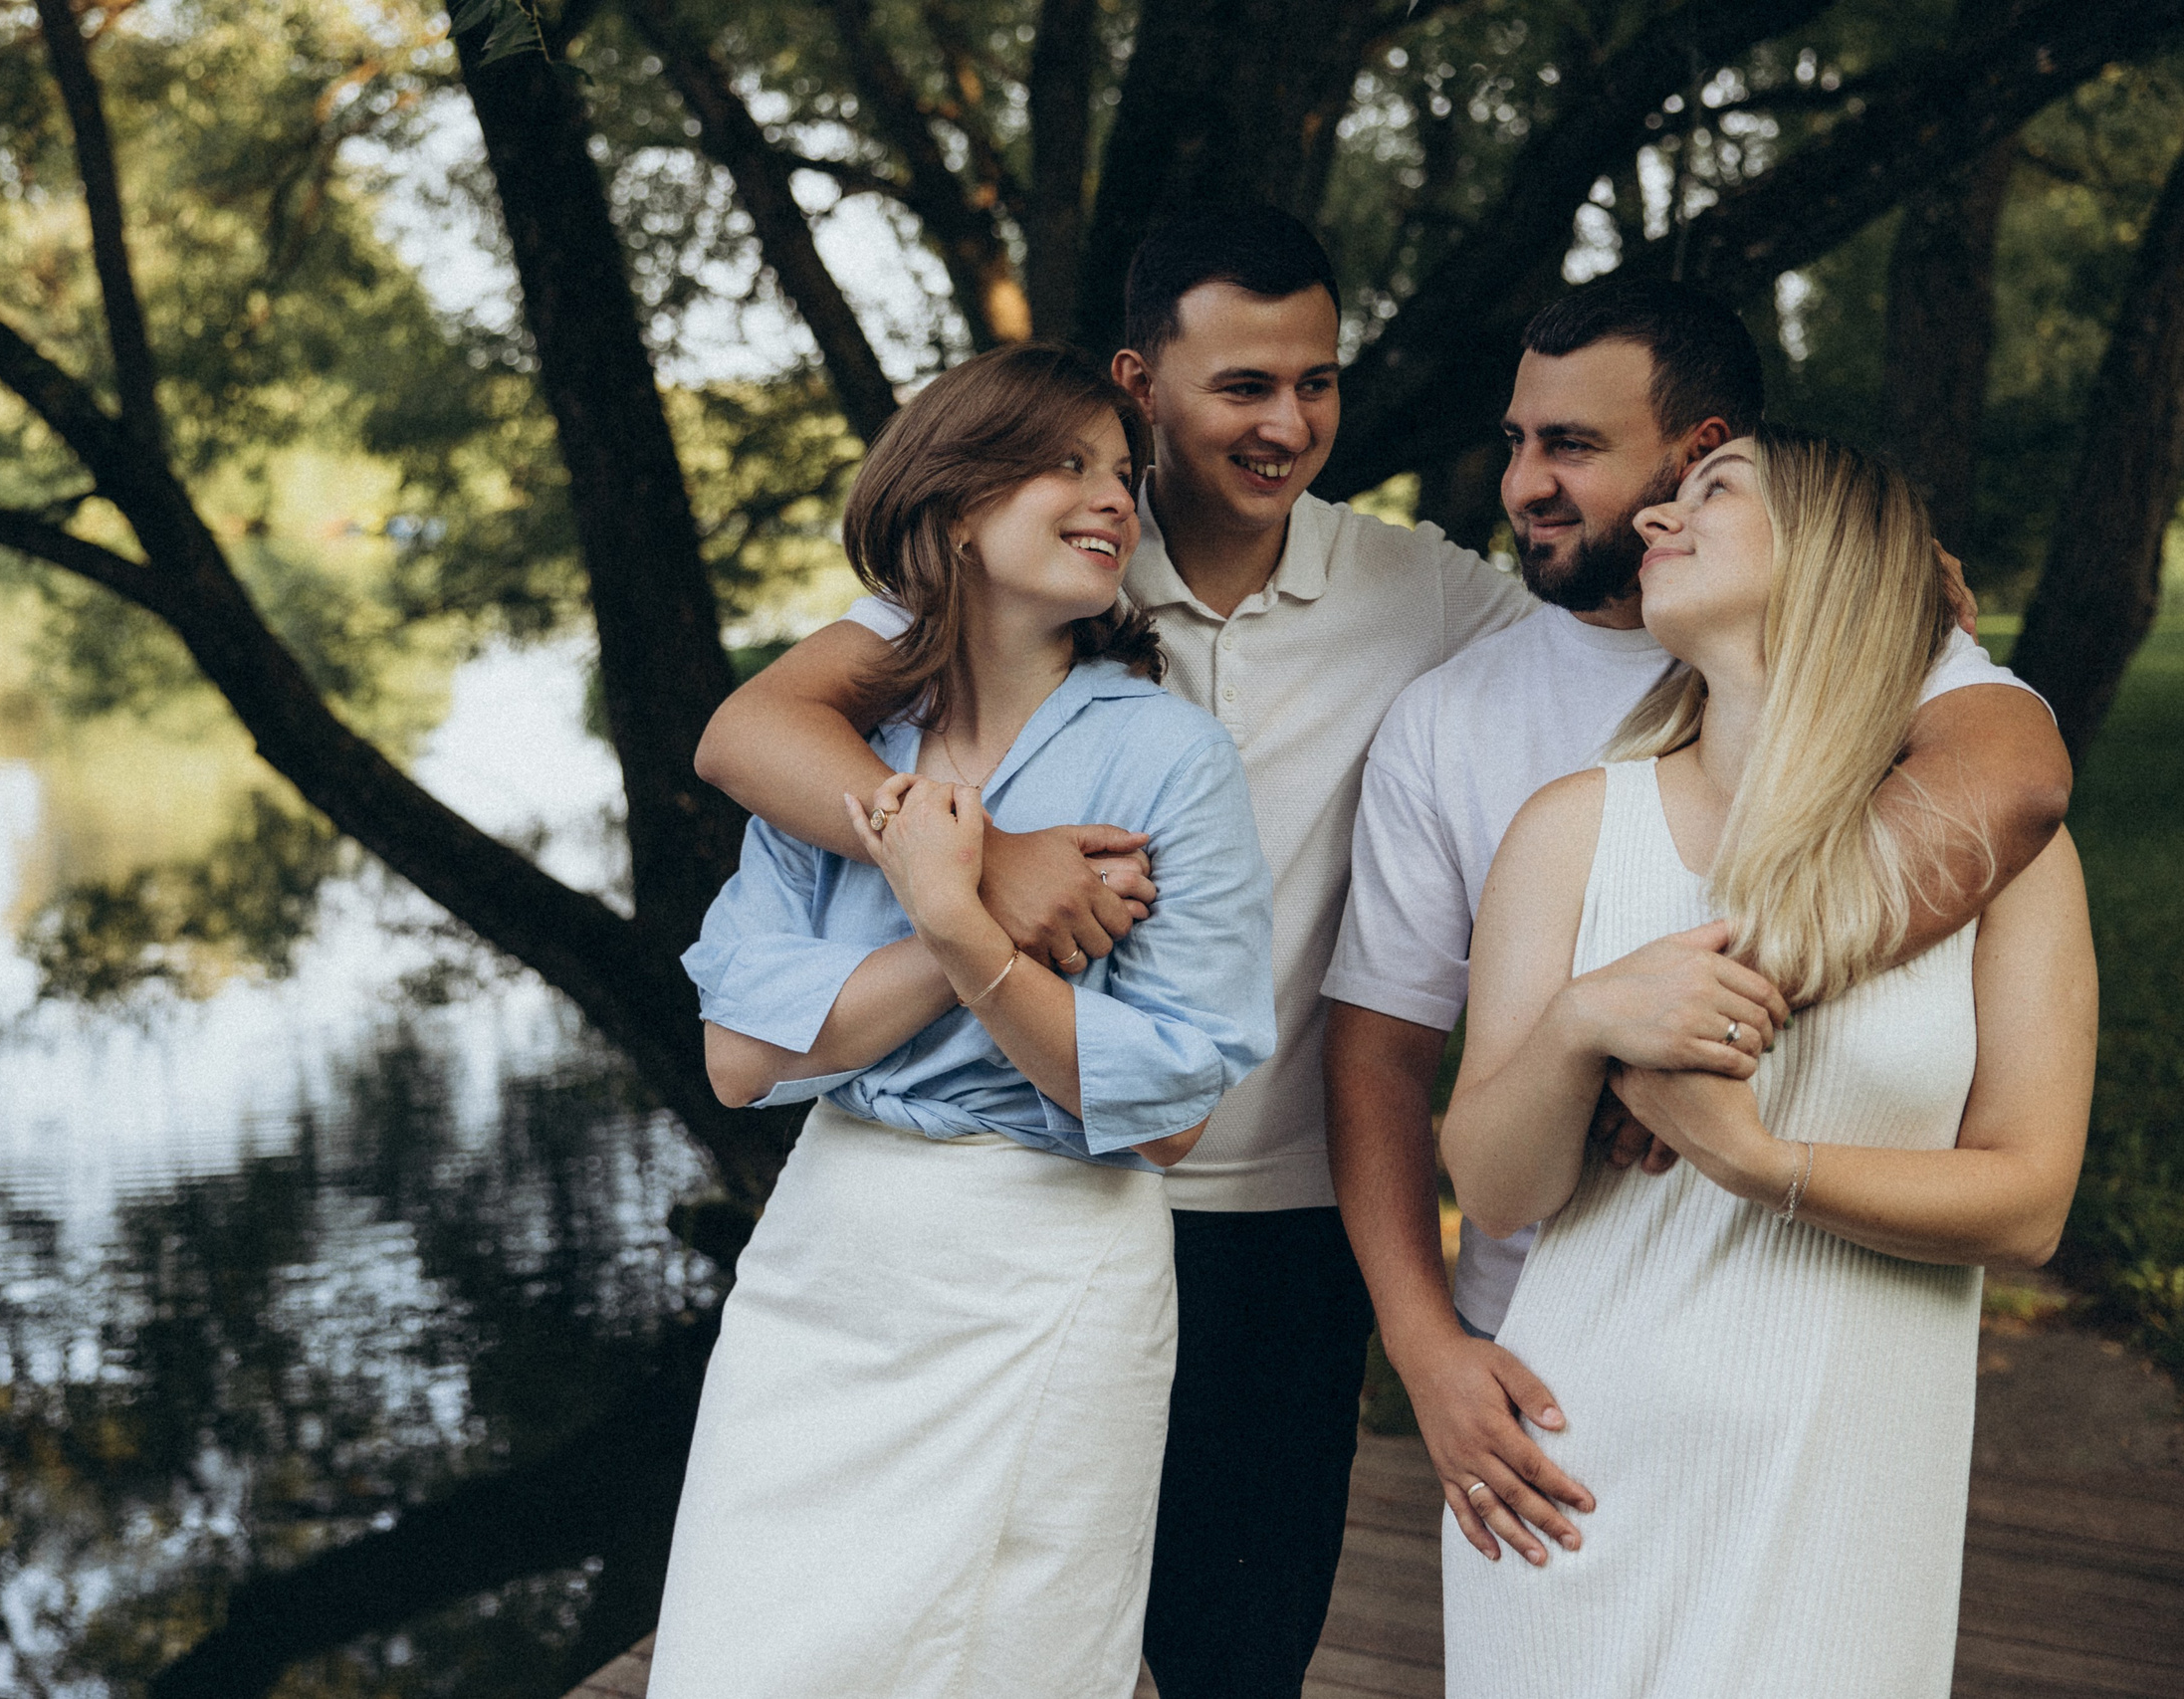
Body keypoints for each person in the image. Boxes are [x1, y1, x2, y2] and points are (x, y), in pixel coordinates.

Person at [694, 207, 1535, 1696]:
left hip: (1273, 1202)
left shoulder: (1419, 590)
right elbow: (750, 731)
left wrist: (1897, 631)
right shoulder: (1047, 560)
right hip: (1000, 1196)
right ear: (1143, 384)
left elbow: (1625, 646)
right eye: (1243, 385)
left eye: (1317, 382)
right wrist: (987, 867)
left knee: (1231, 1642)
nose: (1288, 424)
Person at [1323, 276, 2072, 1566]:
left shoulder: (1902, 669)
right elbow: (1382, 1062)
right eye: (1515, 440)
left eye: (1572, 445)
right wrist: (1426, 1342)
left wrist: (1716, 1013)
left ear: (1700, 451)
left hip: (1833, 1367)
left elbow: (2016, 783)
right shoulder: (1466, 726)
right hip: (1555, 1356)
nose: (1524, 484)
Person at [647, 342, 1277, 1698]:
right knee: (743, 1652)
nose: (1112, 496)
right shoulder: (843, 750)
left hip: (1047, 1262)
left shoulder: (1173, 758)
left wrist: (951, 920)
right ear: (955, 506)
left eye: (1122, 471)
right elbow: (740, 1055)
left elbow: (1167, 1115)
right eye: (1065, 464)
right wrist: (967, 895)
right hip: (826, 1256)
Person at [1436, 426, 2095, 1697]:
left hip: (1845, 1499)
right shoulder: (1573, 827)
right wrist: (1580, 1023)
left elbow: (2027, 1205)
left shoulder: (1993, 861)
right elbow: (1498, 1188)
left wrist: (1757, 1162)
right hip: (1576, 1486)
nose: (1653, 520)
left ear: (1832, 553)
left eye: (1713, 492)